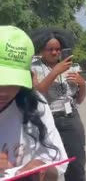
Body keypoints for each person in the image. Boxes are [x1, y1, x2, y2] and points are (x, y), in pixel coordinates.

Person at [0, 25, 68, 180]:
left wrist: (42, 170)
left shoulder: (36, 106)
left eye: (12, 82)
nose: (3, 91)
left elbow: (57, 168)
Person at [29, 27, 86, 181]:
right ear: (41, 49)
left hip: (70, 119)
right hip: (45, 121)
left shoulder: (71, 67)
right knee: (46, 168)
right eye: (50, 49)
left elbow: (80, 100)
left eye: (58, 49)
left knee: (76, 165)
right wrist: (55, 72)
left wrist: (83, 84)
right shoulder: (33, 68)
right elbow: (37, 93)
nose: (54, 53)